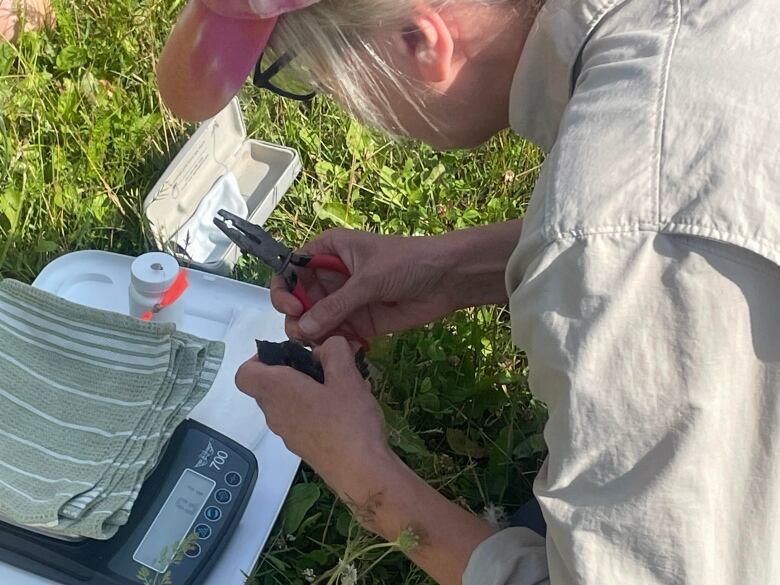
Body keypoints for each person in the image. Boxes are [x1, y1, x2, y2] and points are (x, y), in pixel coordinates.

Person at [157, 0, 780, 584]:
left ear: (420, 41)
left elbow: (641, 241)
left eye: (321, 78)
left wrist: (365, 477)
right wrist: (454, 268)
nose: (350, 111)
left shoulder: (617, 252)